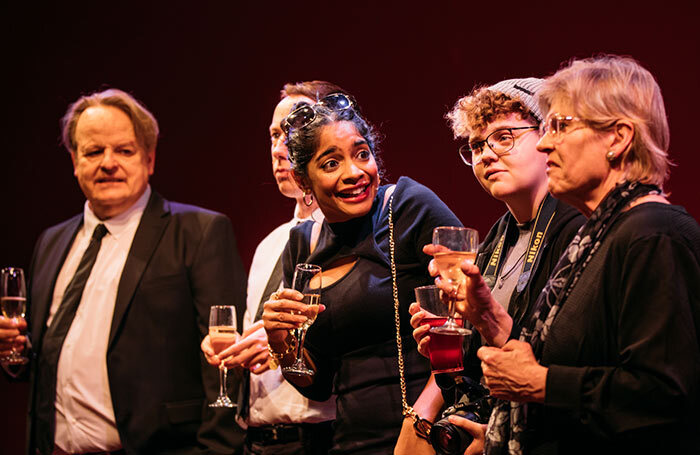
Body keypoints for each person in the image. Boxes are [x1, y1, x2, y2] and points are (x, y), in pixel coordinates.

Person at [454, 55, 700, 454]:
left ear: (617, 138)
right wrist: (494, 325)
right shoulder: (599, 237)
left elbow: (666, 394)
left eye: (561, 126)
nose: (546, 141)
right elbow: (577, 362)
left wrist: (541, 385)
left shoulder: (654, 235)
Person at [0, 88, 247, 454]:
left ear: (149, 158)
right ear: (74, 160)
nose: (108, 163)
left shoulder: (199, 232)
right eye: (94, 151)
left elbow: (226, 363)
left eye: (124, 150)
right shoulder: (50, 242)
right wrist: (15, 351)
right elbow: (45, 359)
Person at [261, 94, 462, 454]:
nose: (355, 172)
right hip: (351, 441)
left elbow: (471, 319)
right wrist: (280, 342)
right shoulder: (302, 245)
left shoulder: (408, 206)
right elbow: (316, 383)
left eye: (362, 154)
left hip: (430, 433)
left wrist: (423, 419)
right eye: (331, 163)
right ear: (302, 181)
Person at [410, 78, 585, 454]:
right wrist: (447, 345)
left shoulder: (577, 228)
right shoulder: (493, 241)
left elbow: (569, 361)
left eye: (504, 137)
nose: (485, 154)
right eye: (475, 145)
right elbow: (484, 370)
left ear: (548, 137)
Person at [200, 81, 343, 455]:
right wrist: (235, 347)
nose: (280, 148)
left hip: (320, 436)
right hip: (259, 439)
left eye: (292, 133)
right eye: (274, 135)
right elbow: (257, 340)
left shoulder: (349, 236)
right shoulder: (269, 244)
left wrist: (284, 345)